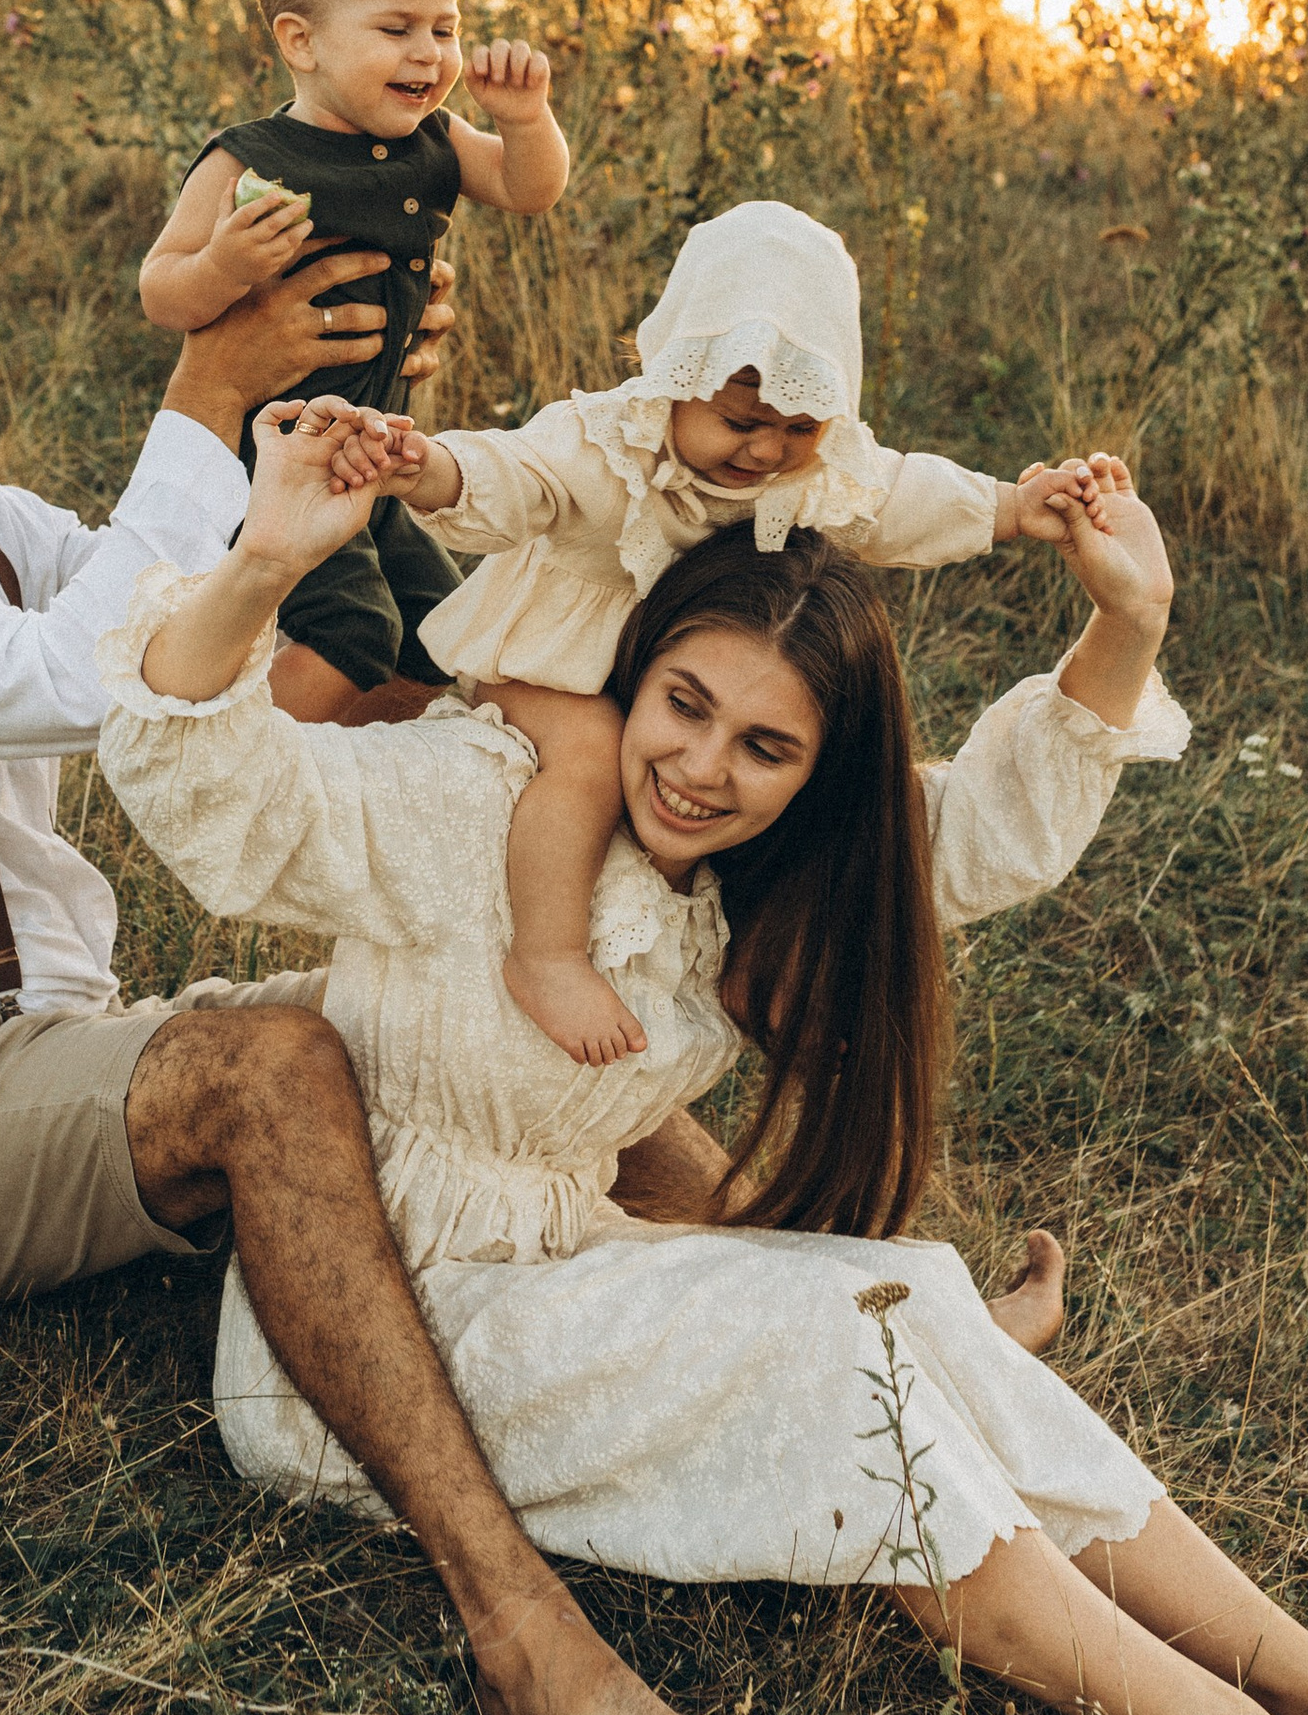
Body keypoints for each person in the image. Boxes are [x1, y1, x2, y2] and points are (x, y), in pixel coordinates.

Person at [98, 403, 1308, 1715]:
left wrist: (1132, 616)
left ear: (817, 775)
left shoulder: (753, 878)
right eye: (683, 705)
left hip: (561, 1283)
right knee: (838, 1349)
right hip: (372, 1351)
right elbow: (223, 797)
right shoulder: (482, 802)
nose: (703, 768)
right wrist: (261, 568)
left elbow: (980, 834)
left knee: (906, 1297)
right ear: (633, 675)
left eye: (766, 745)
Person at [0, 229, 749, 1715]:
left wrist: (344, 436)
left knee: (480, 983)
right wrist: (213, 381)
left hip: (64, 1050)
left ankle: (835, 1291)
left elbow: (207, 639)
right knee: (271, 1069)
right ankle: (521, 1631)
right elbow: (102, 670)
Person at [373, 198, 1089, 1067]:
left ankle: (758, 961)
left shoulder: (812, 476)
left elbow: (898, 498)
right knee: (596, 754)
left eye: (797, 426)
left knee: (773, 781)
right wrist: (432, 470)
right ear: (675, 375)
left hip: (684, 691)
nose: (763, 453)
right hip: (549, 671)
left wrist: (1012, 507)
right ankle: (547, 954)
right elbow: (515, 475)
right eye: (741, 423)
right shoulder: (608, 448)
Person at [138, 0, 567, 727]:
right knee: (350, 627)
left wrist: (525, 120)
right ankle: (219, 762)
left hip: (374, 457)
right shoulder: (251, 158)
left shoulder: (436, 140)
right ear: (302, 41)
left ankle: (336, 772)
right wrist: (224, 263)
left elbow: (530, 190)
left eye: (445, 27)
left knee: (442, 636)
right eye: (396, 28)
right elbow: (162, 291)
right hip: (280, 459)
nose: (430, 54)